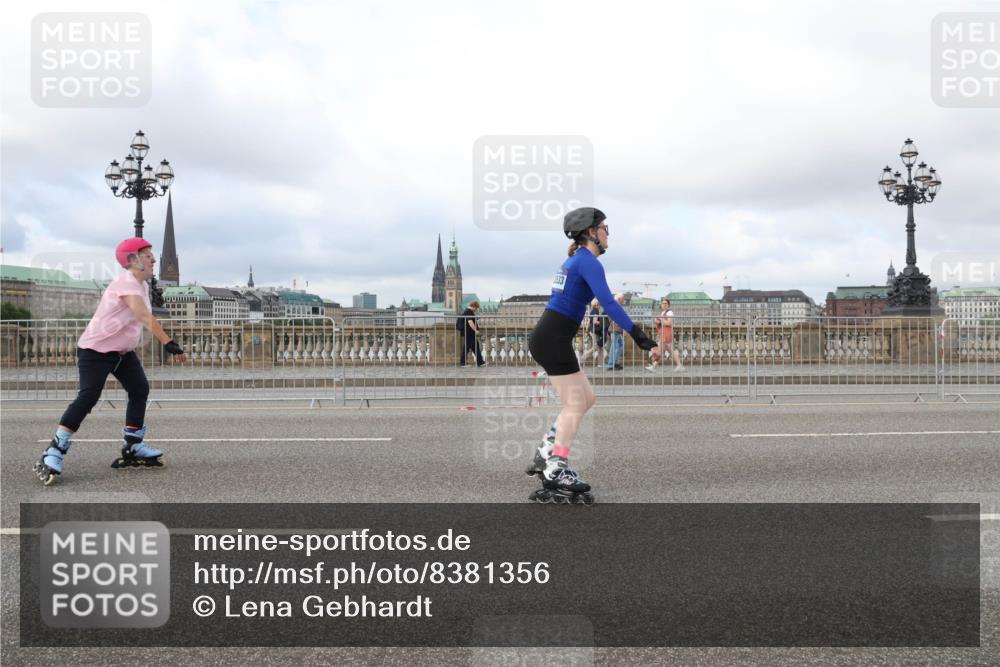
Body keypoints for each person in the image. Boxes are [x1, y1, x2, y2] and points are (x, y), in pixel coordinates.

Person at [525, 207, 656, 503]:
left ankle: (546, 450)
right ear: (591, 233)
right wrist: (639, 335)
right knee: (575, 404)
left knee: (586, 399)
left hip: (551, 337)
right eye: (605, 228)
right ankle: (556, 466)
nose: (608, 233)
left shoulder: (576, 261)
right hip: (553, 339)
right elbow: (608, 303)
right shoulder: (588, 262)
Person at [33, 238, 188, 485]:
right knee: (88, 397)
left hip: (122, 352)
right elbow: (144, 316)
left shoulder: (143, 285)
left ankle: (133, 445)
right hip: (96, 350)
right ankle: (54, 450)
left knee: (139, 389)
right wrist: (168, 342)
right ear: (134, 260)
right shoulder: (126, 283)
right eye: (148, 255)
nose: (154, 259)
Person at [647, 297, 684, 372]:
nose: (663, 305)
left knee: (659, 350)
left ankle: (654, 367)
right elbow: (661, 323)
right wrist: (657, 321)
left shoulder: (670, 312)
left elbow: (668, 323)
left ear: (668, 305)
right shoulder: (663, 313)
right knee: (670, 351)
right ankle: (679, 365)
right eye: (662, 303)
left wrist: (660, 319)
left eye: (665, 303)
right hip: (664, 334)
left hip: (666, 334)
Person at [459, 300, 486, 367]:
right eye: (476, 308)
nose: (476, 310)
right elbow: (470, 322)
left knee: (475, 347)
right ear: (473, 306)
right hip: (469, 333)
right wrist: (475, 330)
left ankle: (480, 362)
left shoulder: (468, 312)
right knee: (466, 348)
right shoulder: (468, 312)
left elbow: (471, 320)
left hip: (470, 333)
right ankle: (463, 363)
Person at [604, 293, 627, 370]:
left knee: (620, 345)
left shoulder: (614, 305)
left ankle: (615, 362)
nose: (623, 301)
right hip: (616, 328)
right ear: (619, 299)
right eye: (623, 299)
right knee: (615, 346)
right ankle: (611, 364)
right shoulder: (615, 306)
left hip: (616, 328)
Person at [582, 299, 606, 365]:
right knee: (596, 346)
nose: (600, 305)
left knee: (599, 347)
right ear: (596, 304)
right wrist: (602, 322)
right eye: (599, 304)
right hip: (595, 331)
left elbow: (589, 322)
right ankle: (585, 355)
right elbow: (595, 322)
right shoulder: (596, 311)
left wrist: (587, 330)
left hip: (592, 330)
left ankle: (601, 363)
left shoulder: (592, 311)